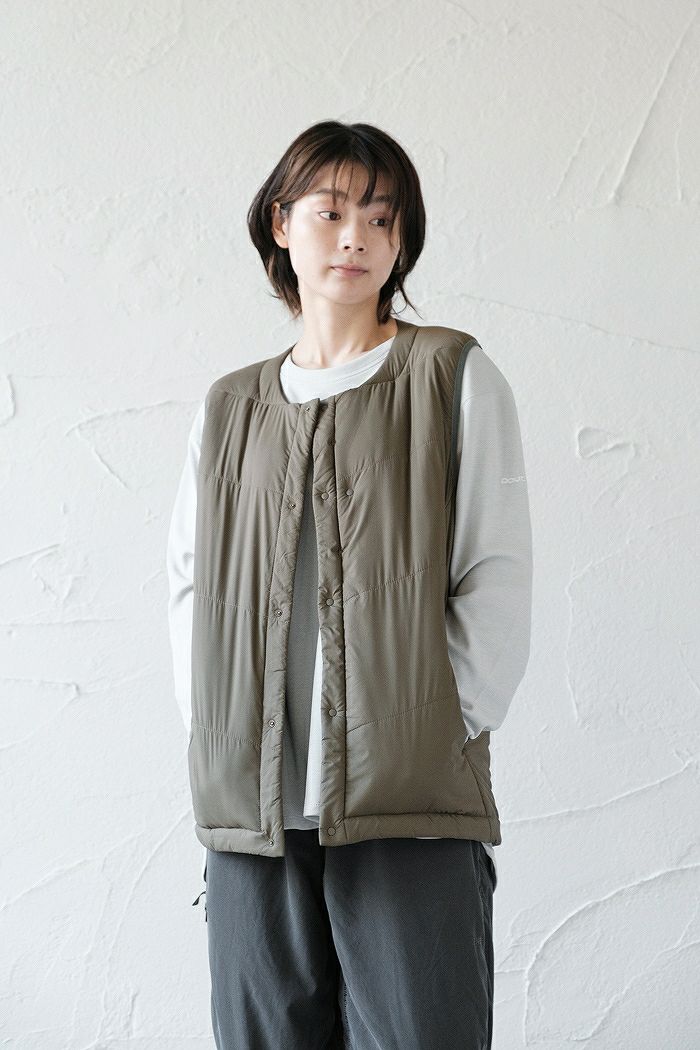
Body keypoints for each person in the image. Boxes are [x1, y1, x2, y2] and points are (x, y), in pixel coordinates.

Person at [166, 120, 532, 1050]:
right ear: (281, 224)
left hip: (409, 812)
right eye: (330, 212)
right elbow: (190, 588)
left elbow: (494, 573)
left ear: (402, 237)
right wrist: (217, 729)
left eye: (381, 216)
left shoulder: (452, 376)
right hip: (253, 820)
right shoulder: (230, 407)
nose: (356, 237)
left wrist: (439, 726)